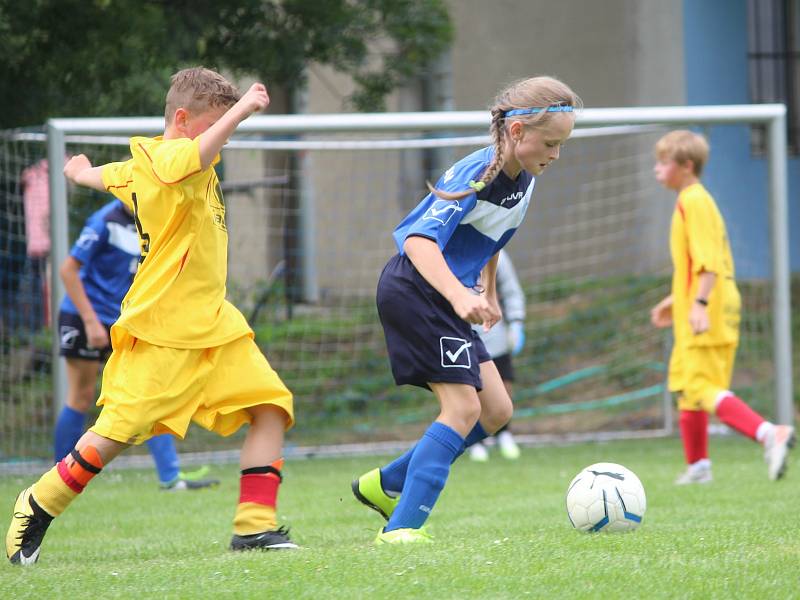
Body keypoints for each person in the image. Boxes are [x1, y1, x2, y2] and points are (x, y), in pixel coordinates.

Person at [6, 67, 297, 566]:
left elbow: (111, 175)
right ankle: (37, 503)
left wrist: (79, 173)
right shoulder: (170, 157)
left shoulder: (156, 165)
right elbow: (193, 155)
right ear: (182, 120)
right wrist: (244, 111)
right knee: (116, 435)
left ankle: (255, 529)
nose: (219, 140)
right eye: (214, 125)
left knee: (271, 407)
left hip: (215, 326)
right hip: (163, 330)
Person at [351, 76, 581, 544]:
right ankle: (400, 531)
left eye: (562, 145)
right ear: (517, 133)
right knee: (462, 407)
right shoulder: (476, 174)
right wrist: (459, 296)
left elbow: (493, 236)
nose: (556, 155)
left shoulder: (525, 178)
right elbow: (417, 242)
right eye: (550, 142)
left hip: (447, 298)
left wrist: (490, 291)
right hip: (416, 291)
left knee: (495, 410)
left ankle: (388, 483)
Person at [650, 129, 795, 485]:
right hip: (698, 305)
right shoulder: (690, 198)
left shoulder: (694, 201)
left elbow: (709, 261)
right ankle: (698, 466)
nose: (656, 169)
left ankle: (768, 433)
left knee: (702, 387)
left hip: (708, 308)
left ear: (685, 166)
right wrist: (676, 300)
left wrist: (699, 303)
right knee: (688, 386)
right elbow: (699, 263)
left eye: (663, 162)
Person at [54, 196, 219, 490]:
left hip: (124, 321)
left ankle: (171, 478)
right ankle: (58, 479)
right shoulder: (105, 221)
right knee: (80, 395)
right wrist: (91, 322)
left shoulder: (152, 221)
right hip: (85, 318)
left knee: (149, 394)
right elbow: (68, 270)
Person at [468, 248, 524, 462]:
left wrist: (516, 323)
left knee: (504, 384)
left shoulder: (496, 251)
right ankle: (476, 440)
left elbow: (511, 290)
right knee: (471, 390)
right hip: (464, 334)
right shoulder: (448, 250)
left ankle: (504, 433)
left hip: (494, 333)